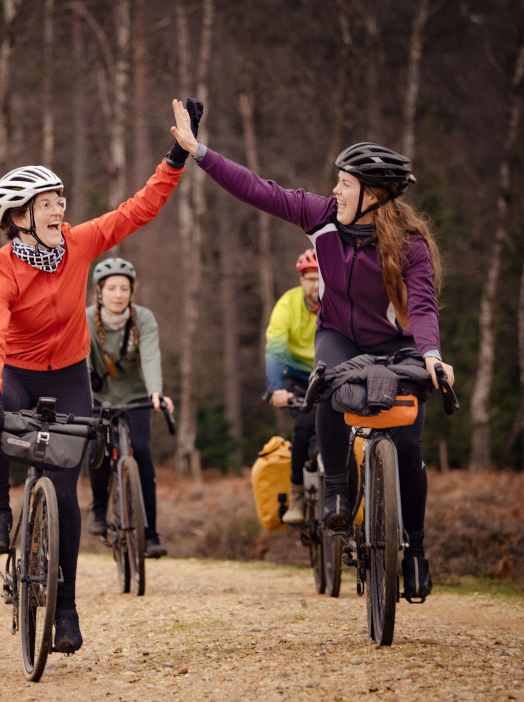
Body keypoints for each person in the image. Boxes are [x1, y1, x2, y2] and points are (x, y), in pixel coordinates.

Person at [170, 107, 454, 600]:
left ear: (373, 195)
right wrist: (201, 154)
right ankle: (339, 489)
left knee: (409, 447)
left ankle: (416, 553)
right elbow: (260, 190)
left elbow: (424, 306)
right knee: (327, 382)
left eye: (345, 183)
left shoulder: (411, 245)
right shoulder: (321, 217)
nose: (336, 191)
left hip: (399, 345)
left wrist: (431, 355)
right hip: (340, 337)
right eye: (338, 182)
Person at [0, 99, 203, 653]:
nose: (59, 210)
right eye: (47, 204)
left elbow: (138, 210)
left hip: (71, 375)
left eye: (60, 200)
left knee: (65, 493)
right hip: (18, 374)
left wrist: (176, 155)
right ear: (18, 218)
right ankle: (0, 511)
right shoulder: (1, 268)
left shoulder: (78, 242)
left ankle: (68, 606)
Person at [85, 257, 175, 558]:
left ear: (132, 291)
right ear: (100, 292)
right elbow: (78, 358)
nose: (118, 294)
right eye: (111, 288)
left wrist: (156, 393)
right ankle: (98, 507)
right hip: (99, 399)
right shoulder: (84, 319)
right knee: (96, 447)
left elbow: (150, 356)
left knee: (142, 453)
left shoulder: (144, 318)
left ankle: (150, 534)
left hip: (137, 397)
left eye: (124, 288)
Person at [266, 249, 320, 525]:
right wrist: (276, 387)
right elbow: (274, 348)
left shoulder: (338, 302)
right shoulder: (287, 305)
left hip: (332, 374)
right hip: (296, 378)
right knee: (305, 425)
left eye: (320, 278)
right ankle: (297, 491)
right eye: (310, 279)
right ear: (301, 280)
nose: (316, 284)